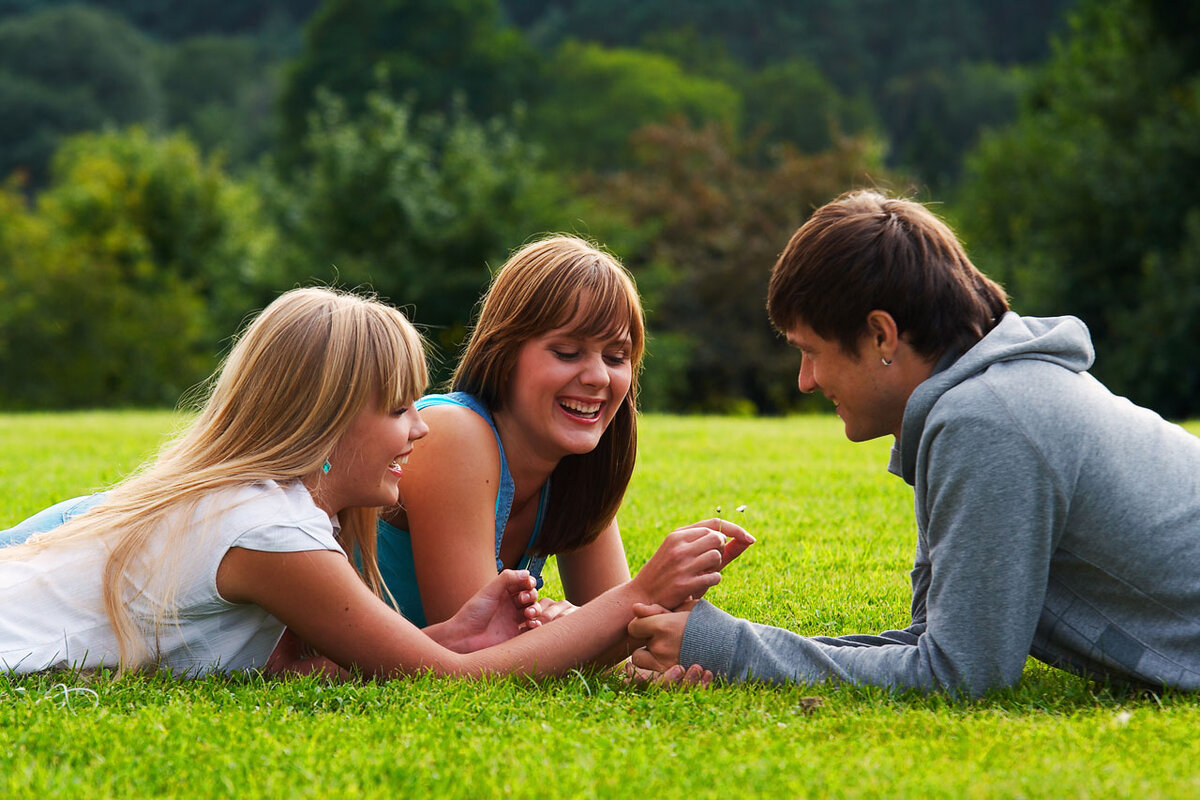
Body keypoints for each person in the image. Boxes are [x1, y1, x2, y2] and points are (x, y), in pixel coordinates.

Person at [0, 287, 746, 678]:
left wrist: (446, 636)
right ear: (325, 419)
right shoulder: (270, 531)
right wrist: (640, 594)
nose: (419, 429)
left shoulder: (280, 517)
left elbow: (321, 664)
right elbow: (445, 683)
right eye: (397, 409)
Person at [627, 189, 1200, 696]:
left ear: (882, 335)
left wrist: (731, 649)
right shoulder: (974, 400)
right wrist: (714, 641)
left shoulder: (989, 420)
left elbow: (959, 673)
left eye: (810, 351)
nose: (804, 380)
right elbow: (930, 640)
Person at [379, 236, 730, 636]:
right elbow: (476, 648)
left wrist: (666, 626)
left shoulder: (577, 467)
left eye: (616, 358)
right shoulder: (451, 433)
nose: (598, 377)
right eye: (567, 352)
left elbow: (624, 635)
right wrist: (618, 607)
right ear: (505, 353)